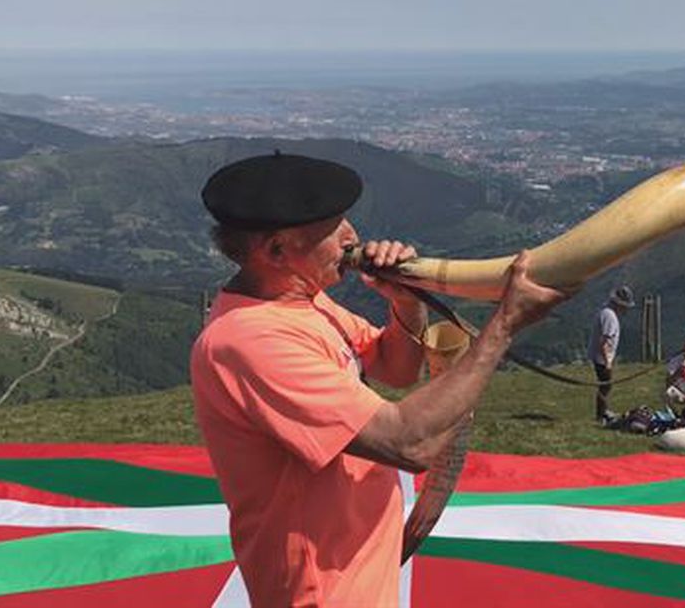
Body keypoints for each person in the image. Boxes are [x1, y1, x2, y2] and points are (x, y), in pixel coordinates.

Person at [190, 153, 566, 608]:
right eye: (333, 227)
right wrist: (504, 325)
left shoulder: (306, 302)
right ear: (275, 251)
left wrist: (405, 303)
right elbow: (409, 444)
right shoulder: (250, 340)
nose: (352, 235)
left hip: (362, 573)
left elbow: (395, 368)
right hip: (325, 592)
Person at [589, 285, 634, 422]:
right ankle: (601, 415)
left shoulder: (606, 311)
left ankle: (603, 412)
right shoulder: (610, 317)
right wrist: (607, 361)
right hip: (602, 358)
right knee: (606, 385)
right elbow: (604, 341)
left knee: (605, 385)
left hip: (600, 356)